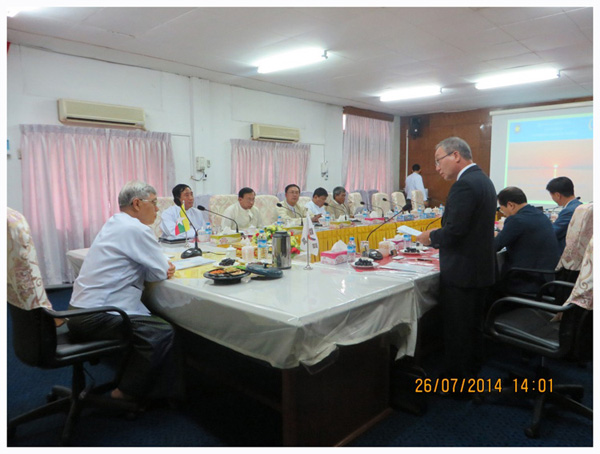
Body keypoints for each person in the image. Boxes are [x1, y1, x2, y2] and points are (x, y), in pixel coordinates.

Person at [67, 181, 178, 403]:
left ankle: (133, 378)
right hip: (97, 315)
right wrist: (163, 266)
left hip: (78, 310)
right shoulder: (136, 229)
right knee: (161, 331)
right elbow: (159, 271)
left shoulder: (115, 223)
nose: (157, 209)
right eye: (154, 202)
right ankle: (126, 392)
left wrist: (158, 266)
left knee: (151, 323)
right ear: (137, 203)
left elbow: (150, 269)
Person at [416, 137, 496, 386]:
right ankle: (471, 375)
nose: (437, 168)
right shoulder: (484, 180)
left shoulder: (464, 185)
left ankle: (457, 386)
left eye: (438, 161)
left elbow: (455, 231)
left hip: (463, 272)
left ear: (456, 156)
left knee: (458, 331)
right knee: (472, 329)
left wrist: (430, 237)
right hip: (478, 269)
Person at [495, 186, 560, 295]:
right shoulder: (540, 215)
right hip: (546, 278)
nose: (503, 213)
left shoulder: (517, 220)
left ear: (510, 205)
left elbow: (495, 246)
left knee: (490, 286)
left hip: (527, 281)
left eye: (501, 209)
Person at [546, 176, 582, 254]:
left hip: (563, 252)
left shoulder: (568, 211)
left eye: (552, 195)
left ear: (557, 195)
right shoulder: (579, 205)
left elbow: (552, 233)